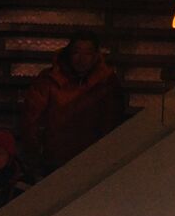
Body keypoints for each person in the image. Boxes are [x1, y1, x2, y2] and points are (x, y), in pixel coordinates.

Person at [20, 32, 126, 173]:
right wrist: (35, 153)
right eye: (77, 52)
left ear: (95, 56)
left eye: (87, 53)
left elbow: (112, 120)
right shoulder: (49, 80)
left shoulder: (106, 83)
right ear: (69, 53)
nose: (81, 59)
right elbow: (31, 117)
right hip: (55, 161)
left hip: (92, 161)